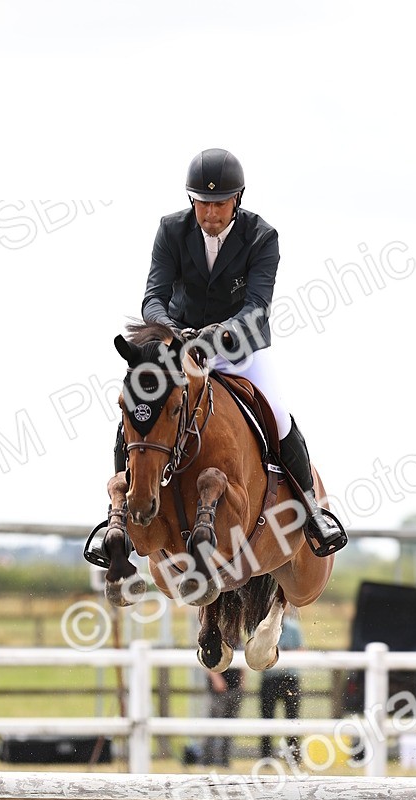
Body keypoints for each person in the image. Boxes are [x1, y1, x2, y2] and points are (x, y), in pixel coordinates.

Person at [88, 147, 347, 563]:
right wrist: (172, 335)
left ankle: (314, 512)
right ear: (192, 200)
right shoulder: (171, 230)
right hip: (179, 347)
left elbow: (256, 307)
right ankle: (114, 517)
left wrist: (213, 335)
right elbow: (153, 298)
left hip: (236, 348)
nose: (210, 213)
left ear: (237, 200)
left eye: (219, 203)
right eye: (203, 203)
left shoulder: (262, 237)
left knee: (277, 415)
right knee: (140, 408)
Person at [260, 611, 304, 761]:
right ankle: (266, 756)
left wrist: (287, 653)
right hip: (270, 678)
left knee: (292, 717)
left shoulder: (293, 627)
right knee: (267, 717)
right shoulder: (263, 628)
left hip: (290, 678)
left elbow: (301, 650)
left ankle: (293, 755)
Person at [201, 664, 244, 767]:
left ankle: (225, 760)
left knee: (230, 726)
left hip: (234, 687)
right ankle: (206, 759)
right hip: (218, 690)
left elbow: (243, 662)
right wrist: (216, 678)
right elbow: (207, 660)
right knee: (212, 725)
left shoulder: (238, 647)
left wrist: (242, 681)